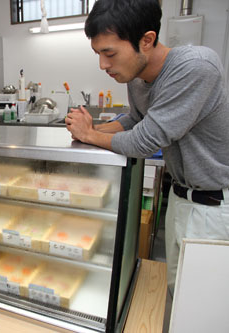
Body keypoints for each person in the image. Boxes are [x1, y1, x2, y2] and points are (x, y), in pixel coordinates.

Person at [65, 0, 229, 295]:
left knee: (201, 302)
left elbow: (143, 140)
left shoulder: (195, 68)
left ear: (147, 40)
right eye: (98, 53)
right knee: (177, 292)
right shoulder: (138, 77)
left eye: (109, 53)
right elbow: (135, 119)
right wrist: (92, 129)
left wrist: (90, 135)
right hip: (181, 197)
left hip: (216, 206)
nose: (103, 65)